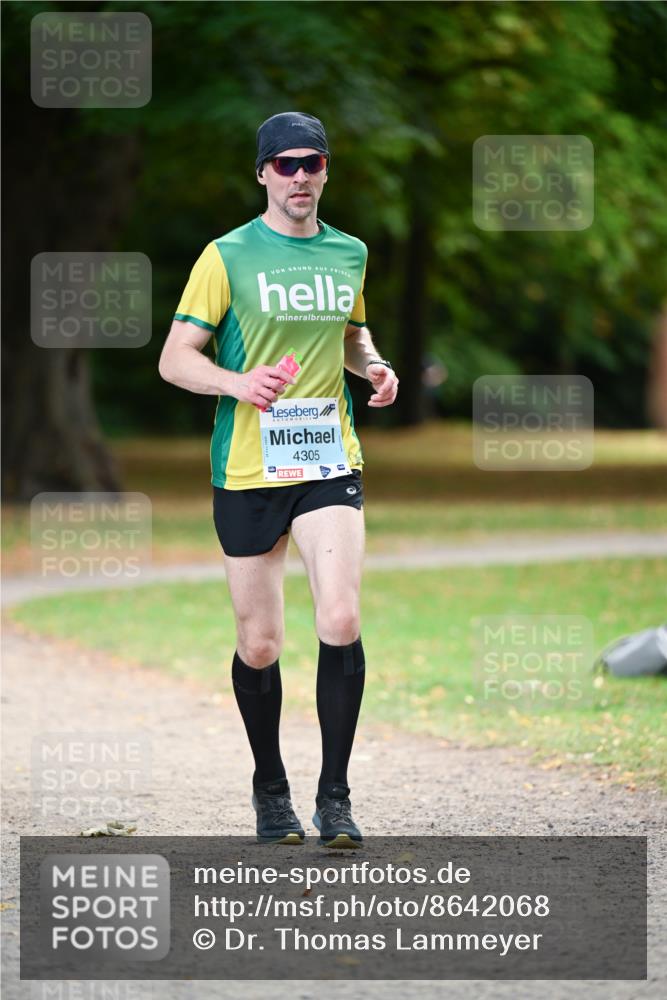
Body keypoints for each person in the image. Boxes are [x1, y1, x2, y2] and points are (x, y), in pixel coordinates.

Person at [159, 111, 399, 848]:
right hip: (249, 466)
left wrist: (376, 367)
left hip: (328, 459)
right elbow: (175, 360)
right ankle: (271, 790)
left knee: (341, 618)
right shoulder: (226, 255)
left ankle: (336, 797)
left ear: (326, 170)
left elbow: (350, 336)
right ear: (262, 172)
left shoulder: (348, 253)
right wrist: (237, 383)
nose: (300, 176)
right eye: (285, 164)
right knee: (260, 643)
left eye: (312, 163)